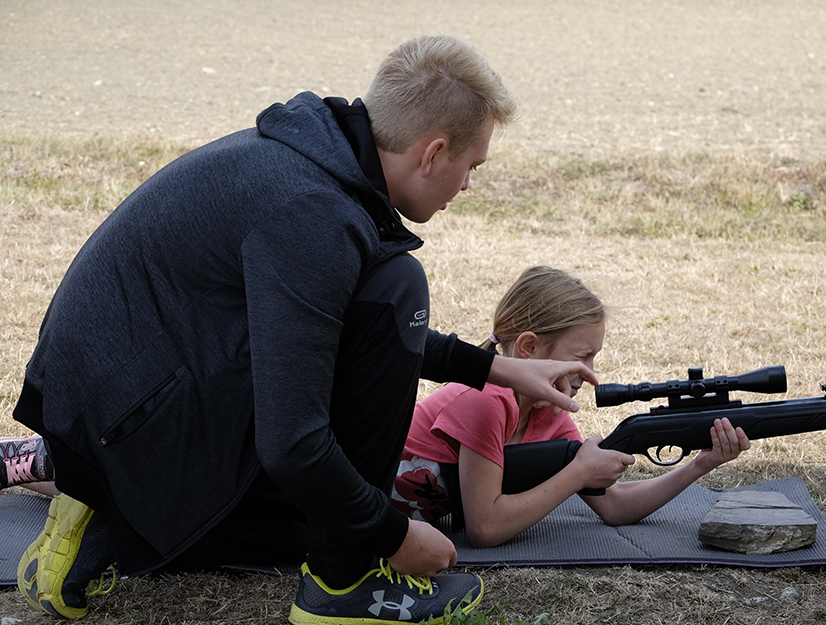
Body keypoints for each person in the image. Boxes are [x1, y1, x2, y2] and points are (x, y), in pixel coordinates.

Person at [9, 35, 598, 624]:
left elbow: (338, 330)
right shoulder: (313, 214)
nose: (467, 185)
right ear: (433, 153)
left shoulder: (317, 160)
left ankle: (113, 510)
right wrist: (390, 535)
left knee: (320, 504)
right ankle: (344, 582)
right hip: (130, 421)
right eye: (472, 166)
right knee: (396, 292)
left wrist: (497, 368)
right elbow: (293, 445)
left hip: (125, 403)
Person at [391, 266, 751, 548]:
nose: (590, 373)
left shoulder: (549, 412)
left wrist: (701, 464)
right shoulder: (484, 399)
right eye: (582, 356)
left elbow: (615, 506)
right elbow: (485, 528)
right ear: (529, 348)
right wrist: (578, 474)